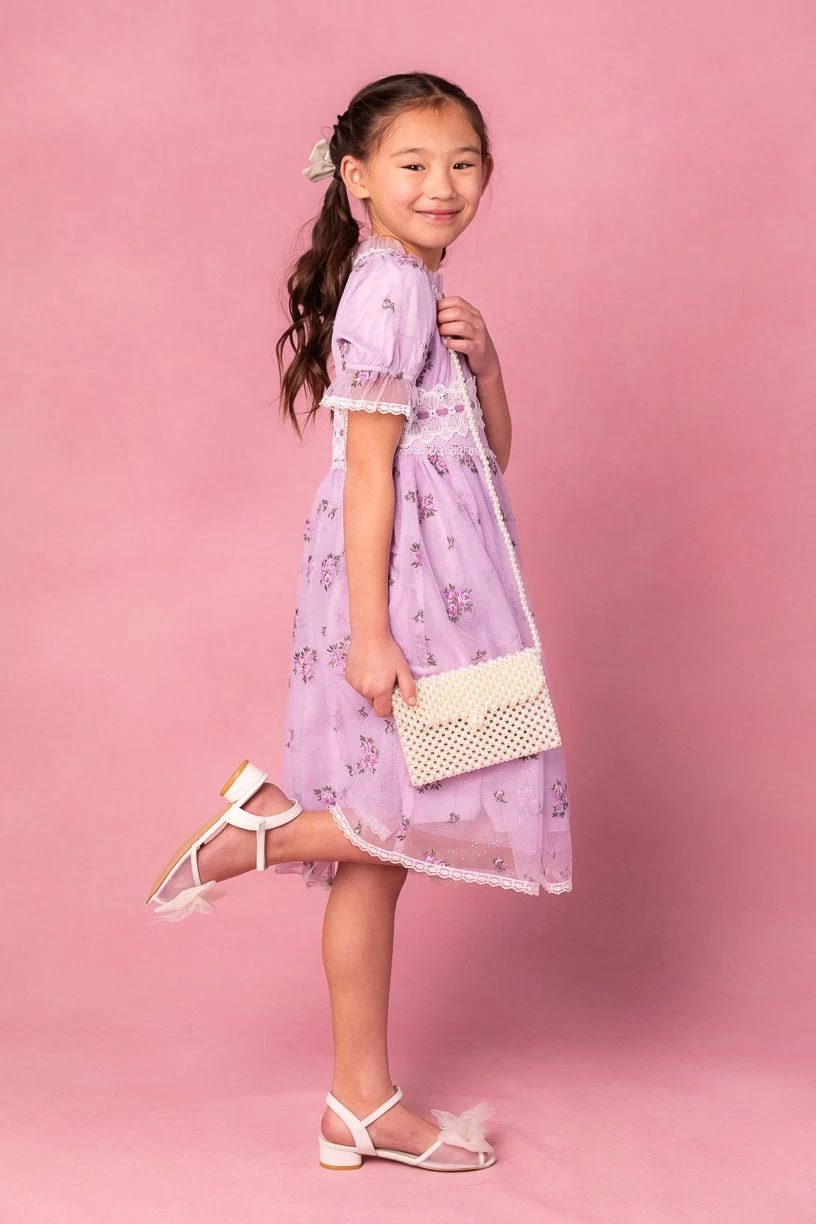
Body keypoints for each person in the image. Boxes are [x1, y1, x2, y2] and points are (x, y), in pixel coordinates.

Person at [145, 71, 573, 1174]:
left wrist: (490, 365)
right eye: (413, 164)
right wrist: (373, 631)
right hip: (413, 594)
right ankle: (264, 836)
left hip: (442, 575)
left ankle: (358, 1103)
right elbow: (370, 470)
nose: (442, 185)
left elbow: (486, 458)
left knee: (380, 860)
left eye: (463, 163)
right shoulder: (389, 289)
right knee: (440, 799)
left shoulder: (421, 289)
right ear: (358, 179)